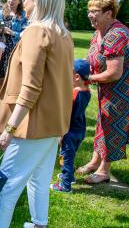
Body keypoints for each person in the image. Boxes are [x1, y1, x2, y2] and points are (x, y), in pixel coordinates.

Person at [0, 0, 74, 228]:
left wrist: (9, 128)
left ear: (37, 1)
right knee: (38, 180)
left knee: (4, 189)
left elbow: (31, 87)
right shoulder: (63, 35)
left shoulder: (36, 32)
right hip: (52, 125)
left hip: (30, 125)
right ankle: (39, 224)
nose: (24, 1)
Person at [77, 0, 129, 184]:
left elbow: (114, 73)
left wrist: (87, 79)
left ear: (109, 13)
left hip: (125, 90)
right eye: (89, 11)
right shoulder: (98, 32)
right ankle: (94, 162)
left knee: (113, 126)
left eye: (95, 11)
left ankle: (104, 170)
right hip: (108, 88)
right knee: (102, 122)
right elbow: (91, 60)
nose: (90, 15)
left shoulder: (117, 34)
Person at [50, 59, 91, 193]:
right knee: (71, 155)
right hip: (80, 131)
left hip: (69, 132)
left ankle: (65, 185)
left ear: (77, 76)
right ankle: (70, 176)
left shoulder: (75, 94)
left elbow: (67, 116)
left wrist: (61, 134)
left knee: (65, 158)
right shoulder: (86, 91)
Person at [0, 0, 28, 115]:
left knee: (13, 78)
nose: (11, 1)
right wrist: (1, 30)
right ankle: (1, 104)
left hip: (15, 50)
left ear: (19, 1)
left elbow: (27, 33)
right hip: (1, 50)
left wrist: (13, 33)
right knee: (0, 77)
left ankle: (12, 105)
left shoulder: (24, 15)